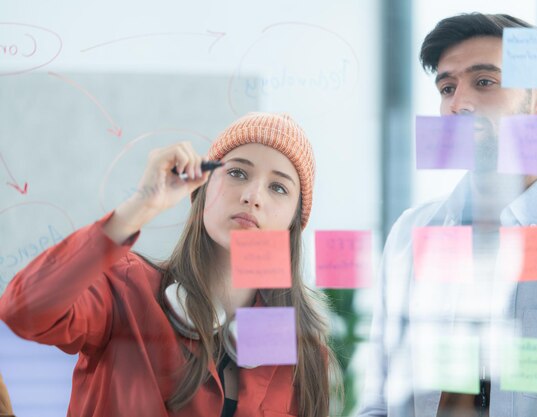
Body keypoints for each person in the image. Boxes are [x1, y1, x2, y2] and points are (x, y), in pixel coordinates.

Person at [358, 13, 537, 417]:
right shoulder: (410, 234)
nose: (458, 104)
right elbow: (379, 403)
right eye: (447, 87)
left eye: (484, 82)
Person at [0, 112, 340, 417]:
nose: (253, 196)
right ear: (203, 189)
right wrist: (142, 206)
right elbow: (23, 309)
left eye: (278, 187)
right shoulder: (126, 289)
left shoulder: (303, 355)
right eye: (237, 172)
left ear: (293, 225)